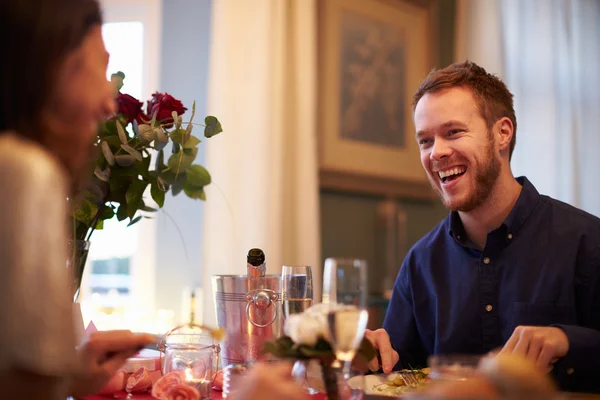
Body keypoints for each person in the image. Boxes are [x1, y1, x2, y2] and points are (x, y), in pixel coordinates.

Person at [365, 61, 600, 393]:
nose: (437, 153)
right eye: (425, 141)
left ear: (502, 133)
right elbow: (395, 376)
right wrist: (372, 355)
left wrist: (568, 341)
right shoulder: (420, 263)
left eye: (453, 132)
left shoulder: (587, 242)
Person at [0, 1, 156, 399]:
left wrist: (67, 378)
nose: (109, 103)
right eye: (100, 68)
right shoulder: (25, 171)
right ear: (54, 66)